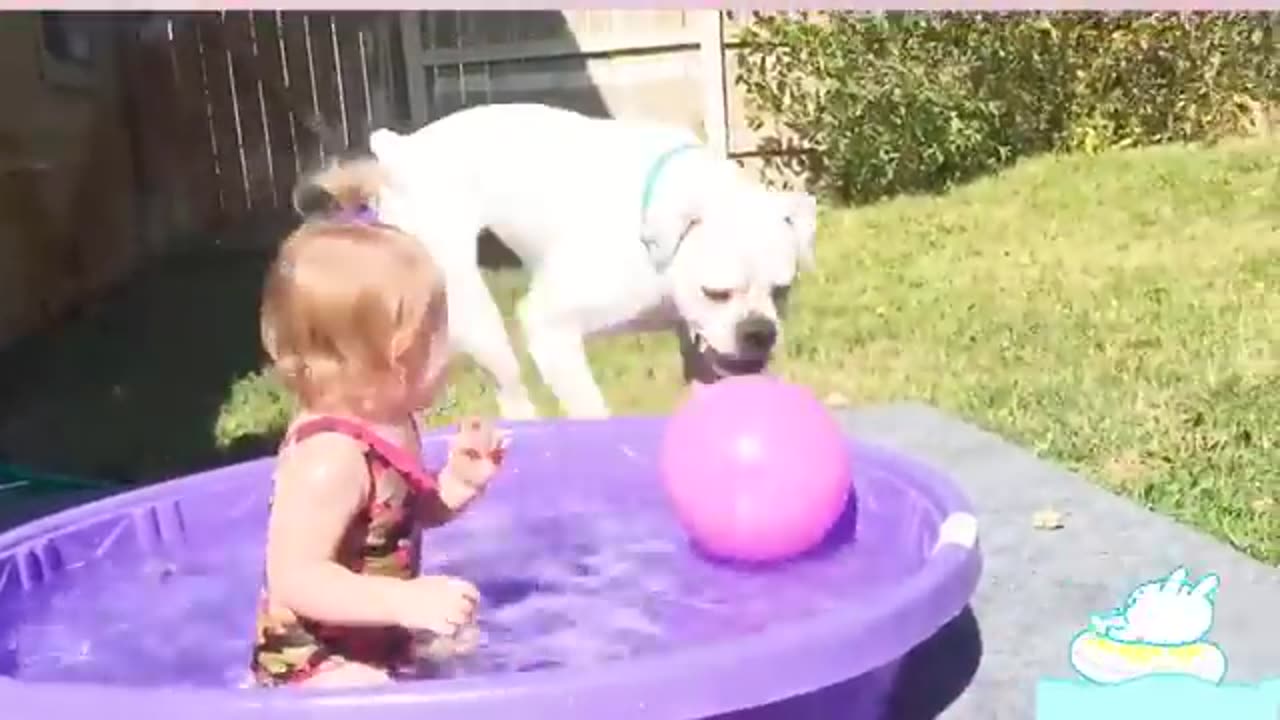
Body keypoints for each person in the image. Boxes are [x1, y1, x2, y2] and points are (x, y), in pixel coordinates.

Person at [248, 157, 508, 688]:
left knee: (464, 634)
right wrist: (404, 600)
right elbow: (296, 578)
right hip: (310, 657)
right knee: (369, 692)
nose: (450, 349)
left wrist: (456, 486)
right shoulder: (330, 459)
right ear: (396, 353)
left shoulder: (394, 422)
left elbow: (401, 521)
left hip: (376, 630)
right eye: (437, 335)